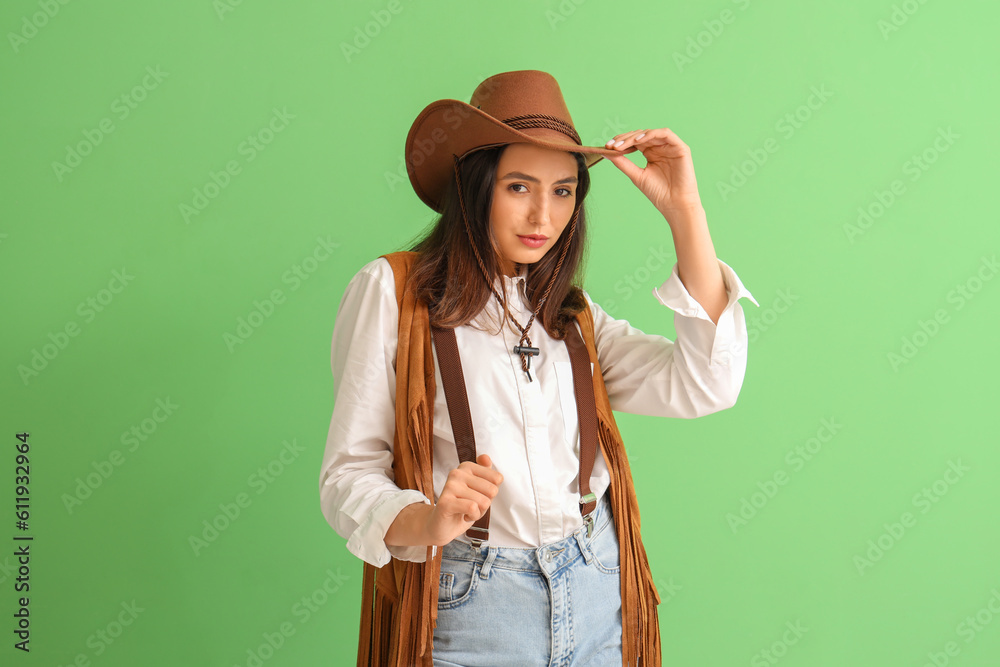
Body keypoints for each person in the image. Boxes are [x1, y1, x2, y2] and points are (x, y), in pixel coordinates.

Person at [319, 70, 758, 667]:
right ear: (476, 186)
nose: (542, 217)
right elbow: (348, 475)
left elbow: (707, 382)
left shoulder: (571, 317)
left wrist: (685, 213)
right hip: (473, 601)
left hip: (598, 580)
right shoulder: (395, 292)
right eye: (519, 186)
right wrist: (427, 519)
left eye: (563, 191)